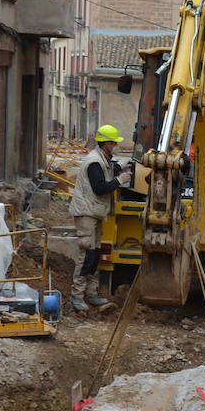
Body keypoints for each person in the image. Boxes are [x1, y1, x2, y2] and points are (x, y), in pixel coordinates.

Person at [68, 124, 130, 313]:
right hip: (87, 213)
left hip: (94, 212)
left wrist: (119, 166)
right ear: (106, 143)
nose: (115, 147)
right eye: (113, 143)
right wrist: (121, 180)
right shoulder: (94, 162)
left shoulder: (102, 159)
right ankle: (77, 296)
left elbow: (106, 171)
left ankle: (91, 293)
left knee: (94, 256)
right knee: (86, 255)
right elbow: (100, 187)